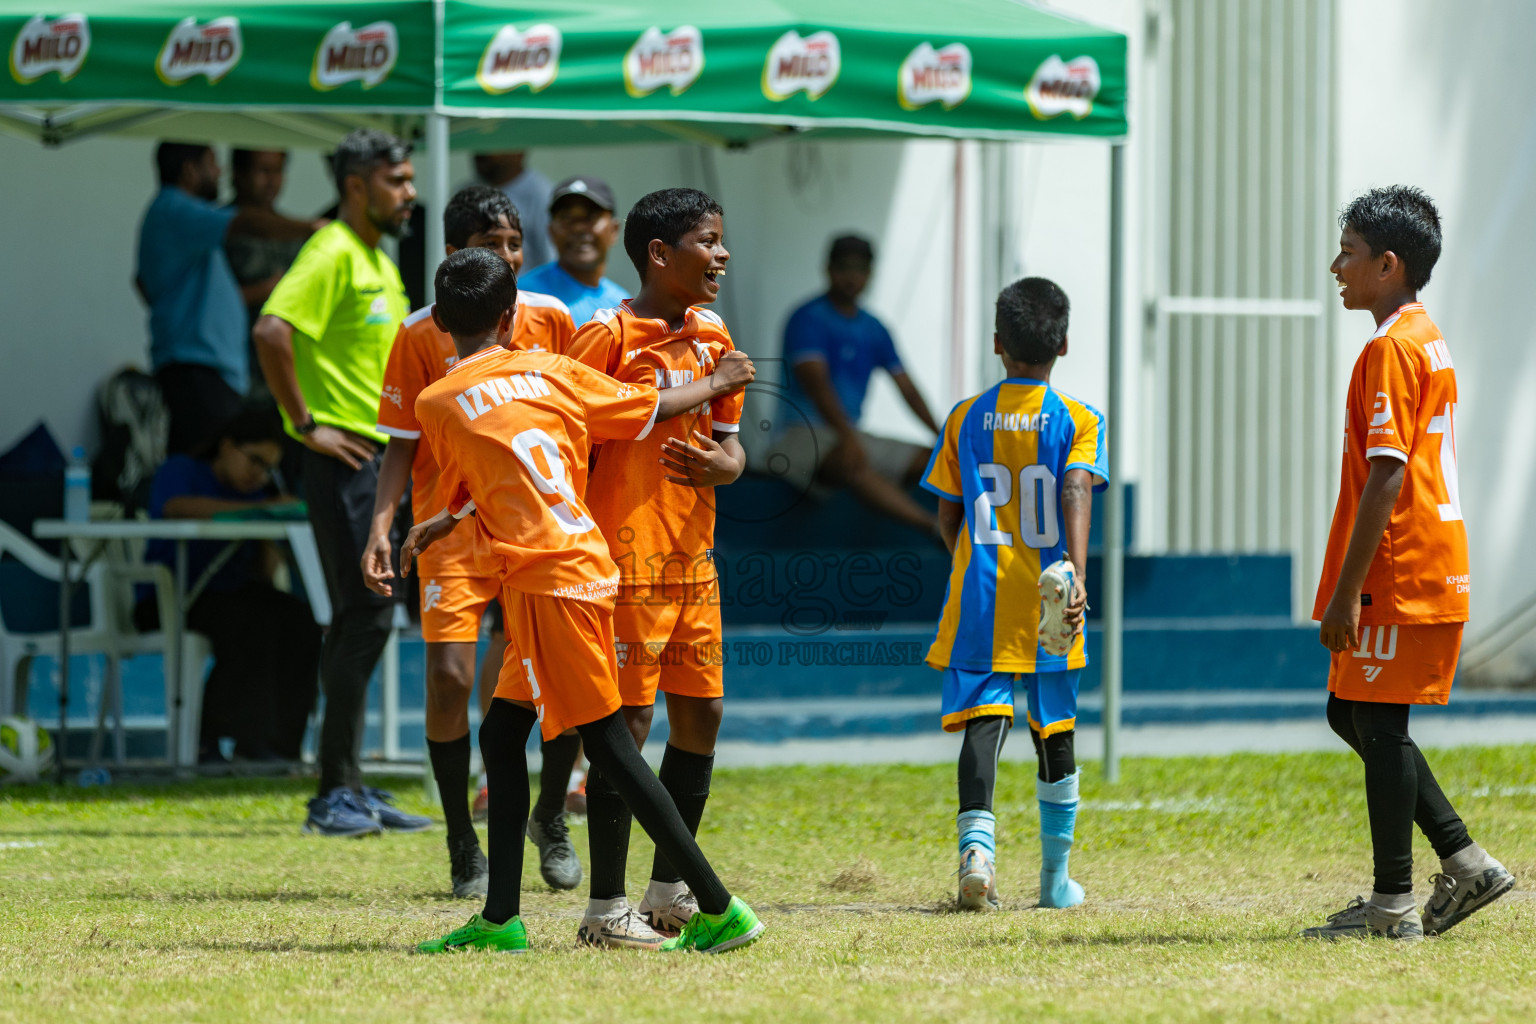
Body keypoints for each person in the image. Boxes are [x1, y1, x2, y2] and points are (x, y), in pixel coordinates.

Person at [408, 247, 763, 955]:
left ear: (441, 322)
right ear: (512, 317)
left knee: (606, 743)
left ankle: (719, 907)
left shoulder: (436, 400)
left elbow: (485, 468)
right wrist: (719, 379)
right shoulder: (554, 369)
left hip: (544, 582)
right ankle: (501, 920)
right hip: (587, 563)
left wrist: (445, 518)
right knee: (503, 736)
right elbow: (647, 410)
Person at [1302, 187, 1514, 942]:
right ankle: (1465, 863)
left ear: (1388, 265)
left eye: (1350, 252)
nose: (1337, 266)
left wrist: (1346, 593)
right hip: (1424, 560)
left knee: (1378, 723)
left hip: (1403, 564)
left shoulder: (1390, 347)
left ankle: (1393, 907)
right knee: (1349, 711)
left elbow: (1388, 473)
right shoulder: (1425, 335)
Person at [361, 185, 582, 897]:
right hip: (446, 528)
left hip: (532, 526)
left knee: (556, 681)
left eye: (515, 244)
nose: (509, 257)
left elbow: (581, 418)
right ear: (455, 253)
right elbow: (400, 443)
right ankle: (462, 839)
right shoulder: (422, 331)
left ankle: (549, 814)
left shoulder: (551, 317)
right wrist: (379, 526)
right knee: (453, 679)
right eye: (493, 245)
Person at [565, 187, 745, 946]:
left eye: (722, 240)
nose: (723, 255)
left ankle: (667, 893)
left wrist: (723, 466)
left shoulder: (713, 333)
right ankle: (605, 910)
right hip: (623, 559)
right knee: (629, 724)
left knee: (701, 713)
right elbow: (571, 437)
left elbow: (732, 450)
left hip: (690, 558)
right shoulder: (604, 336)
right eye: (708, 241)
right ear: (660, 255)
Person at [252, 128, 432, 838]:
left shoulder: (374, 258)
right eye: (396, 181)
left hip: (378, 463)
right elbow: (272, 331)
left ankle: (348, 782)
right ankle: (334, 791)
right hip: (344, 461)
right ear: (357, 186)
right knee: (368, 613)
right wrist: (305, 425)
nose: (409, 193)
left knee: (365, 617)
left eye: (410, 179)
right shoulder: (330, 250)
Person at [922, 277, 1104, 912]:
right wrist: (1075, 575)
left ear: (998, 343)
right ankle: (1054, 882)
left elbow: (948, 517)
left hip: (981, 598)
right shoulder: (1079, 419)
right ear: (1064, 344)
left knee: (983, 719)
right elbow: (1077, 489)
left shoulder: (965, 416)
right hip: (1055, 599)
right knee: (1054, 726)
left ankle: (977, 856)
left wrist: (970, 564)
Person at [133, 403, 320, 765]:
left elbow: (265, 574)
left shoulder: (256, 494)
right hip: (173, 598)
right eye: (254, 461)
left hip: (234, 595)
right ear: (227, 446)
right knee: (252, 624)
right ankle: (212, 740)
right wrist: (257, 511)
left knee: (300, 622)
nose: (259, 475)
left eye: (269, 469)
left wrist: (271, 527)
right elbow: (177, 507)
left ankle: (280, 748)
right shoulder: (182, 470)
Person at [136, 142, 318, 455]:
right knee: (212, 470)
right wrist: (314, 227)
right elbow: (246, 222)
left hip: (213, 369)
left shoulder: (181, 216)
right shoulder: (177, 209)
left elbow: (141, 283)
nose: (218, 172)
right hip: (198, 367)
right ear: (190, 170)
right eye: (212, 163)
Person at [769, 235, 941, 534]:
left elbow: (908, 390)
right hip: (798, 436)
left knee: (933, 460)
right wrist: (849, 438)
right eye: (844, 268)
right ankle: (933, 528)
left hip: (848, 435)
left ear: (870, 274)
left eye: (860, 269)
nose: (852, 276)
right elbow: (817, 386)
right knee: (852, 461)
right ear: (828, 269)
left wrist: (944, 438)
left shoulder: (874, 327)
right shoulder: (808, 318)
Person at [517, 176, 630, 325]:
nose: (578, 227)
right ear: (551, 231)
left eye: (591, 217)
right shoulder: (523, 297)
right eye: (566, 218)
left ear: (614, 230)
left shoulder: (623, 304)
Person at [226, 149, 307, 326]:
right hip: (233, 344)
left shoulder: (292, 230)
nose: (272, 180)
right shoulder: (222, 228)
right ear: (239, 173)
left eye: (277, 170)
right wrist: (265, 289)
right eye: (264, 170)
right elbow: (209, 299)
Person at [474, 151, 553, 269]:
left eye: (514, 245)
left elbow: (549, 258)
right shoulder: (468, 191)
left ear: (519, 153)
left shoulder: (541, 194)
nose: (482, 151)